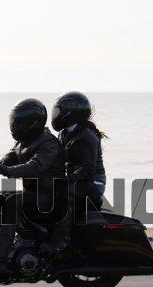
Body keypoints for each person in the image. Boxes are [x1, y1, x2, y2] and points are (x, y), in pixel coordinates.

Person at [0, 98, 65, 272]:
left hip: (49, 197)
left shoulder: (48, 143)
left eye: (18, 122)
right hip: (33, 194)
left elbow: (34, 167)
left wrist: (5, 170)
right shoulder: (24, 142)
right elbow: (3, 162)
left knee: (12, 202)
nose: (14, 126)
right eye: (13, 121)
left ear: (32, 123)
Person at [40, 91, 107, 254]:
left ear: (71, 113)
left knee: (65, 193)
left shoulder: (87, 137)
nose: (56, 115)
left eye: (59, 112)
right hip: (77, 180)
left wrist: (67, 180)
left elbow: (88, 169)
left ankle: (62, 241)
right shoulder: (64, 133)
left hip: (93, 183)